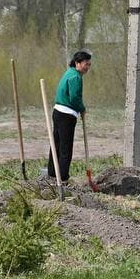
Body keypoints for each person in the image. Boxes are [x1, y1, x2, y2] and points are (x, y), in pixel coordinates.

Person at [46, 51, 91, 184]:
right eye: (85, 64)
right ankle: (63, 177)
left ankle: (53, 173)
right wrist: (82, 108)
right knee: (65, 147)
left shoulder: (69, 72)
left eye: (89, 64)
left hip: (58, 112)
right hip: (66, 115)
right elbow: (74, 98)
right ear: (77, 63)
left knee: (57, 144)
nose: (87, 67)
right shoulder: (75, 77)